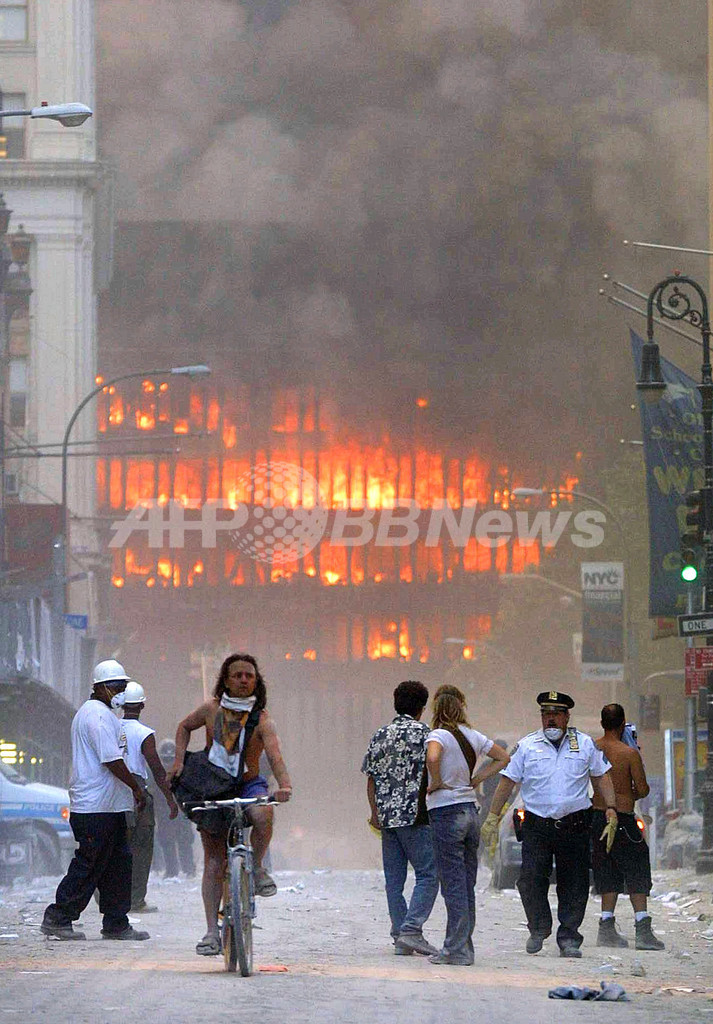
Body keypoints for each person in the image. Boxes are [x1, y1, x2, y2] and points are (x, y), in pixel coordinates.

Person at [168, 653, 292, 956]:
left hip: (249, 783)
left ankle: (258, 867)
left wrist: (285, 785)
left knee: (263, 815)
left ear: (256, 681)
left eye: (249, 675)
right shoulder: (211, 710)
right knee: (213, 861)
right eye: (237, 675)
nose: (243, 680)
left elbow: (274, 756)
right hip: (213, 784)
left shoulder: (263, 720)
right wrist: (179, 760)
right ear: (226, 680)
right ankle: (211, 932)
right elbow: (184, 727)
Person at [481, 691, 617, 958]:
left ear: (567, 717)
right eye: (546, 714)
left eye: (556, 714)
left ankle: (569, 937)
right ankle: (538, 927)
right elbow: (507, 783)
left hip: (575, 825)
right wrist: (493, 817)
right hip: (537, 826)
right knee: (530, 879)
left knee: (575, 882)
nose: (550, 719)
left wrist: (611, 809)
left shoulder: (585, 744)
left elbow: (602, 777)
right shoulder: (527, 746)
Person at [41, 660, 150, 942]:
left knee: (118, 865)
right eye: (117, 686)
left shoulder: (103, 714)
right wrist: (136, 788)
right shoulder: (97, 716)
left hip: (109, 806)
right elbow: (112, 759)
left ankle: (116, 923)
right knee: (89, 864)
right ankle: (58, 916)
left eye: (124, 687)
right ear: (100, 687)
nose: (121, 692)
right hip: (94, 807)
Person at [425, 684, 509, 966]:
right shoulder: (474, 736)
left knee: (452, 885)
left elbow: (433, 756)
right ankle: (465, 947)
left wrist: (435, 781)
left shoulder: (437, 735)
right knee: (466, 883)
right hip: (471, 811)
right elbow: (503, 757)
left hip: (445, 812)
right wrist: (477, 779)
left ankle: (455, 949)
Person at [362, 680, 439, 957]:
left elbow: (370, 779)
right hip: (416, 817)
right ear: (422, 708)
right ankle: (411, 930)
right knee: (428, 875)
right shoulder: (427, 735)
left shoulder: (380, 735)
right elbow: (434, 768)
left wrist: (375, 813)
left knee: (394, 881)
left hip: (387, 819)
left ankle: (400, 933)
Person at [592, 703, 664, 951]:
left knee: (606, 869)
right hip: (622, 818)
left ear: (602, 723)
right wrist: (627, 792)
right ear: (623, 724)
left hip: (597, 817)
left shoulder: (593, 748)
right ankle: (642, 928)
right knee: (636, 869)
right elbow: (643, 789)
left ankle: (606, 926)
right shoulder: (628, 753)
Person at [119, 681, 179, 913]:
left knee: (114, 845)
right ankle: (135, 900)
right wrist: (170, 799)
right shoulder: (145, 734)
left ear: (122, 704)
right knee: (141, 849)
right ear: (142, 705)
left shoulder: (111, 727)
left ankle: (103, 894)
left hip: (113, 790)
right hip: (137, 791)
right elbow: (157, 770)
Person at [153, 739, 196, 878]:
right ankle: (180, 870)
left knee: (181, 840)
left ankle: (182, 870)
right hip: (166, 810)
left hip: (176, 809)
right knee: (169, 841)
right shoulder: (157, 770)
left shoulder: (180, 768)